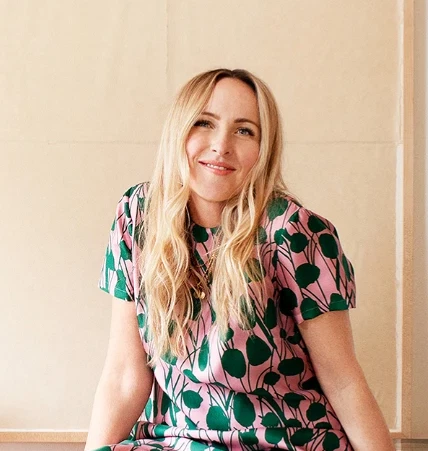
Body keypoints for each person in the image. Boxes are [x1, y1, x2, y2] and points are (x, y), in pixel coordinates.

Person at [85, 69, 395, 451]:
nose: (221, 145)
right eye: (204, 123)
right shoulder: (137, 217)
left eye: (244, 130)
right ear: (178, 131)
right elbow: (124, 375)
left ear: (264, 149)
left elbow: (343, 379)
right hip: (177, 442)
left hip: (285, 442)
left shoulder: (294, 232)